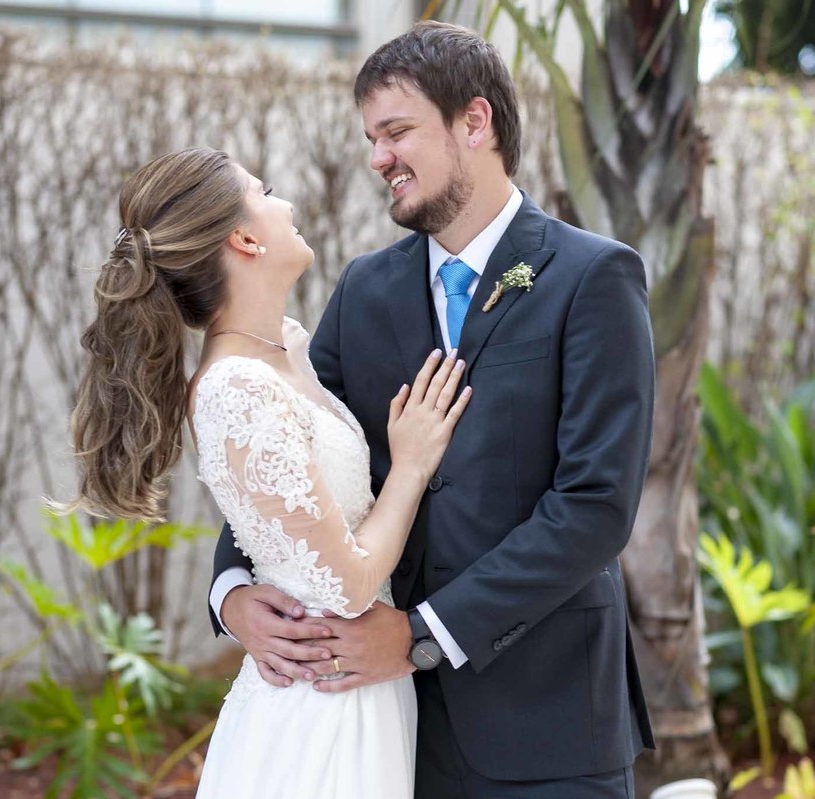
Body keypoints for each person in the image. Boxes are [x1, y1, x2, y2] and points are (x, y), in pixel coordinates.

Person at [209, 20, 656, 799]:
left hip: (550, 727)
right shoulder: (363, 292)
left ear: (473, 123)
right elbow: (291, 457)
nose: (378, 157)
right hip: (387, 733)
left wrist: (418, 635)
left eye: (396, 131)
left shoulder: (593, 279)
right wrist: (232, 595)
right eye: (371, 138)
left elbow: (595, 506)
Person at [68, 144, 471, 797]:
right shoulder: (234, 389)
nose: (284, 202)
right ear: (245, 238)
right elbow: (345, 585)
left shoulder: (289, 346)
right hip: (318, 704)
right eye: (265, 190)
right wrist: (412, 464)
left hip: (360, 691)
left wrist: (231, 592)